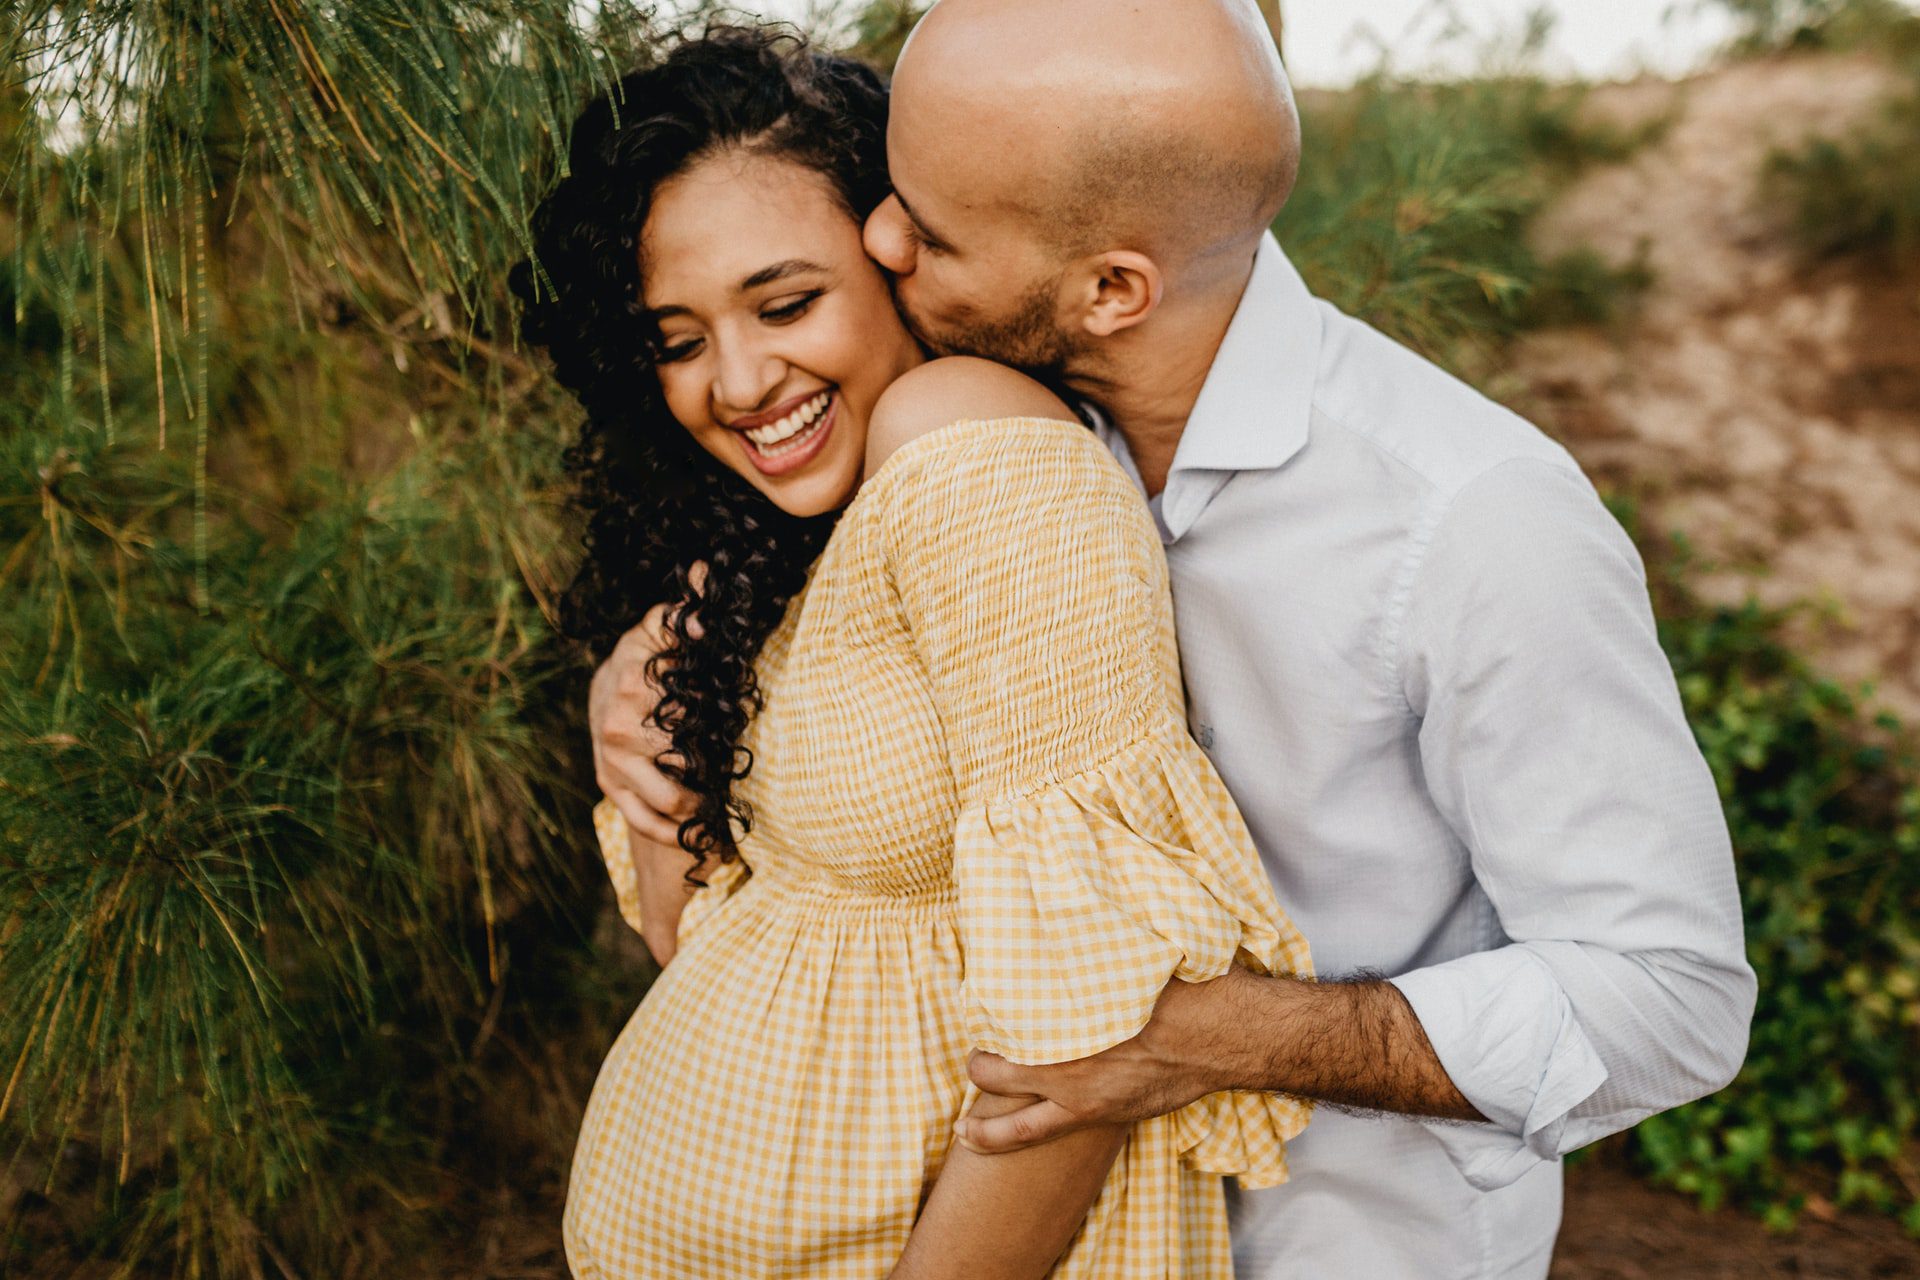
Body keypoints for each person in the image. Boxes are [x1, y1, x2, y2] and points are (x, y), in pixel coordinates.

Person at [590, 1, 1758, 1276]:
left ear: (1110, 289)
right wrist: (646, 676)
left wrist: (1213, 1033)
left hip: (1338, 1245)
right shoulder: (978, 432)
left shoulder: (1468, 518)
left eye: (923, 225)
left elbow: (1671, 998)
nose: (878, 237)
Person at [513, 25, 1314, 1280]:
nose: (734, 377)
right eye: (677, 338)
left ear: (899, 259)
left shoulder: (976, 451)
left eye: (786, 303)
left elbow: (1085, 1039)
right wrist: (644, 726)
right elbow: (714, 953)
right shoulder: (790, 538)